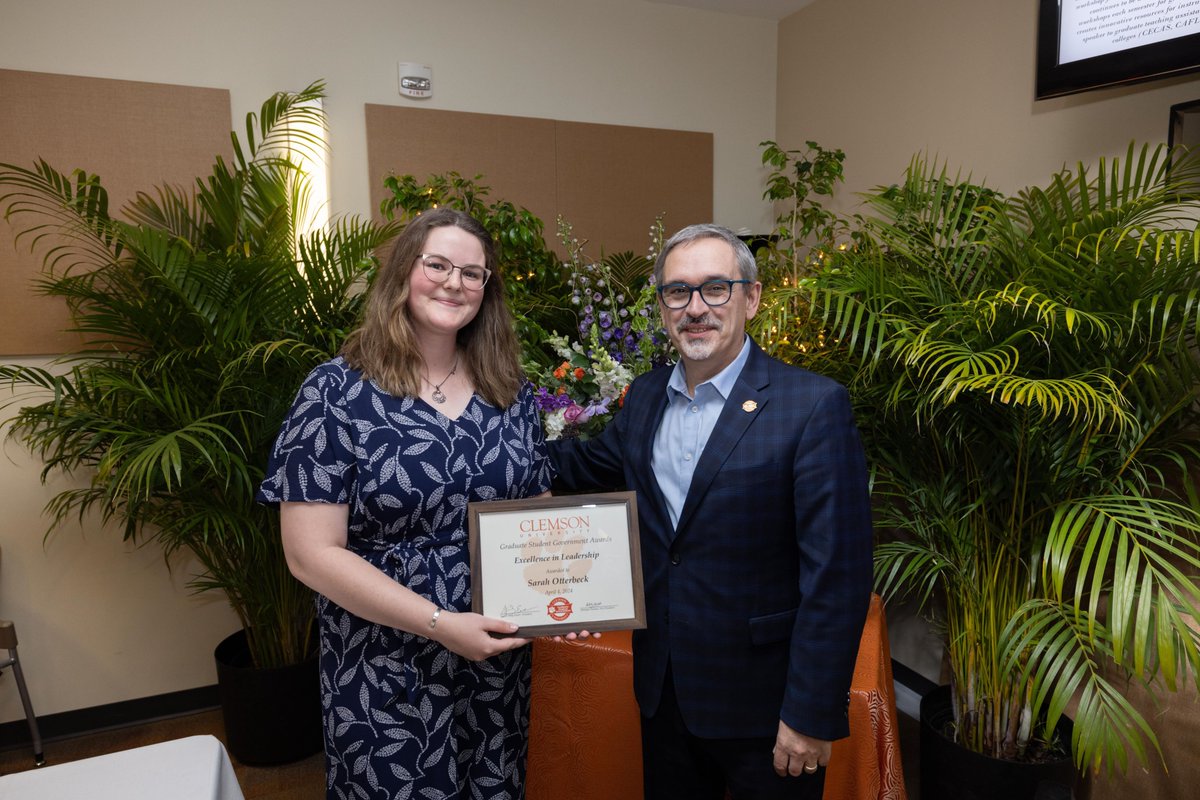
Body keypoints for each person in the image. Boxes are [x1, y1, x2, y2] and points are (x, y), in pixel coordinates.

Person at [549, 223, 874, 800]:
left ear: (750, 297)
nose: (695, 307)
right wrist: (481, 447)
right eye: (678, 292)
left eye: (715, 288)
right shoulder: (646, 395)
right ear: (662, 307)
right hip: (664, 692)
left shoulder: (812, 404)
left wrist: (810, 713)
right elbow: (583, 468)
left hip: (767, 708)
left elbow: (839, 578)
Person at [257, 208, 553, 800]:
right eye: (437, 264)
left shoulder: (509, 391)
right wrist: (441, 625)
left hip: (494, 661)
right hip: (384, 661)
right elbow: (310, 555)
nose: (454, 282)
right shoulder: (335, 391)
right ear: (403, 273)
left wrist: (562, 599)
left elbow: (537, 517)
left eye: (473, 273)